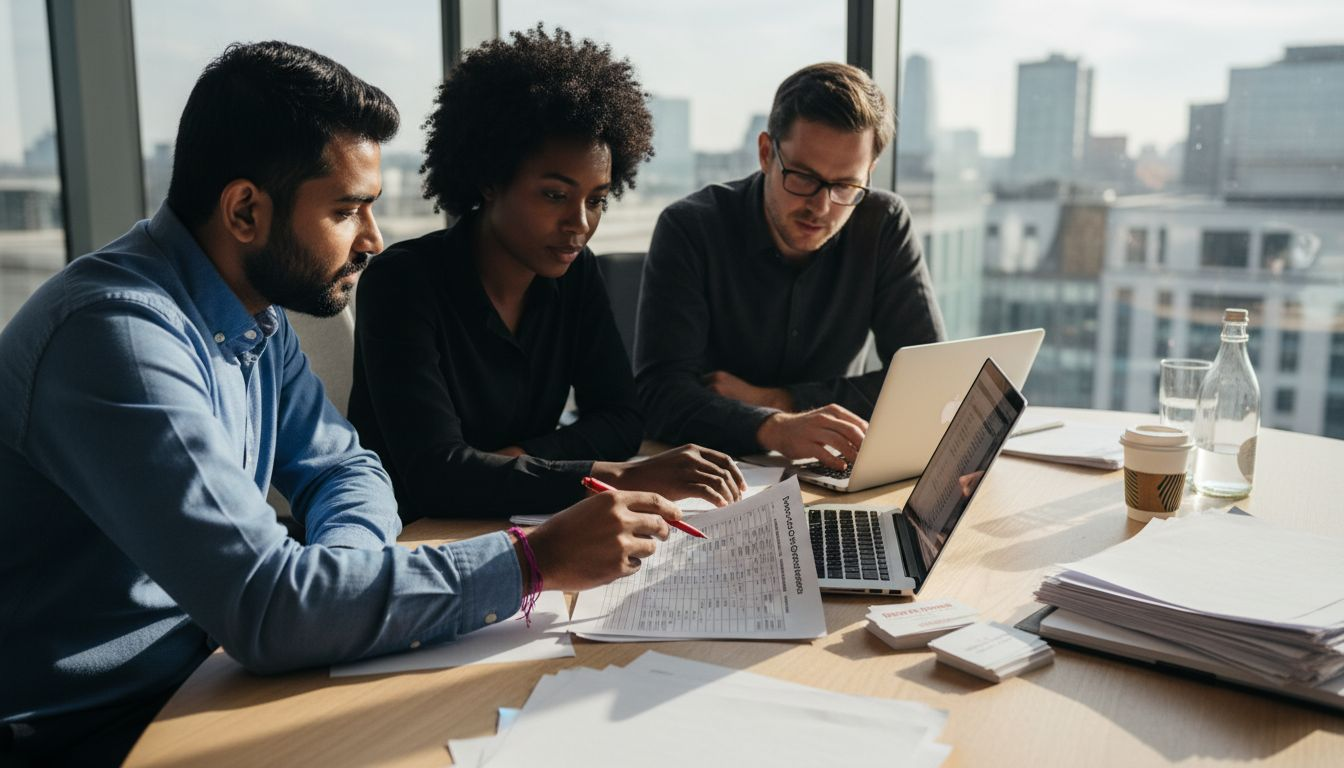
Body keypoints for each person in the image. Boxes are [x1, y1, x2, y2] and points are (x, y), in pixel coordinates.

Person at [0, 41, 680, 766]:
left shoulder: (258, 316)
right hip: (86, 731)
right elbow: (270, 608)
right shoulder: (117, 337)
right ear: (243, 211)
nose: (372, 240)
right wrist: (529, 562)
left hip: (213, 674)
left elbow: (347, 471)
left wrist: (331, 591)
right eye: (347, 210)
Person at [347, 26, 745, 524]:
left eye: (596, 200)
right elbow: (435, 474)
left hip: (530, 525)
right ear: (490, 180)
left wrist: (517, 462)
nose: (580, 225)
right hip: (418, 540)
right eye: (555, 195)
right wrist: (617, 476)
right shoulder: (402, 283)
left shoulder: (573, 273)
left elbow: (622, 419)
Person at [635, 62, 946, 470]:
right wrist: (775, 427)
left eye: (845, 186)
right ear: (767, 153)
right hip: (712, 472)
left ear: (868, 173)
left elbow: (929, 380)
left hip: (833, 469)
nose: (820, 206)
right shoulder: (691, 227)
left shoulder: (883, 222)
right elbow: (659, 395)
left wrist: (776, 401)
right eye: (802, 177)